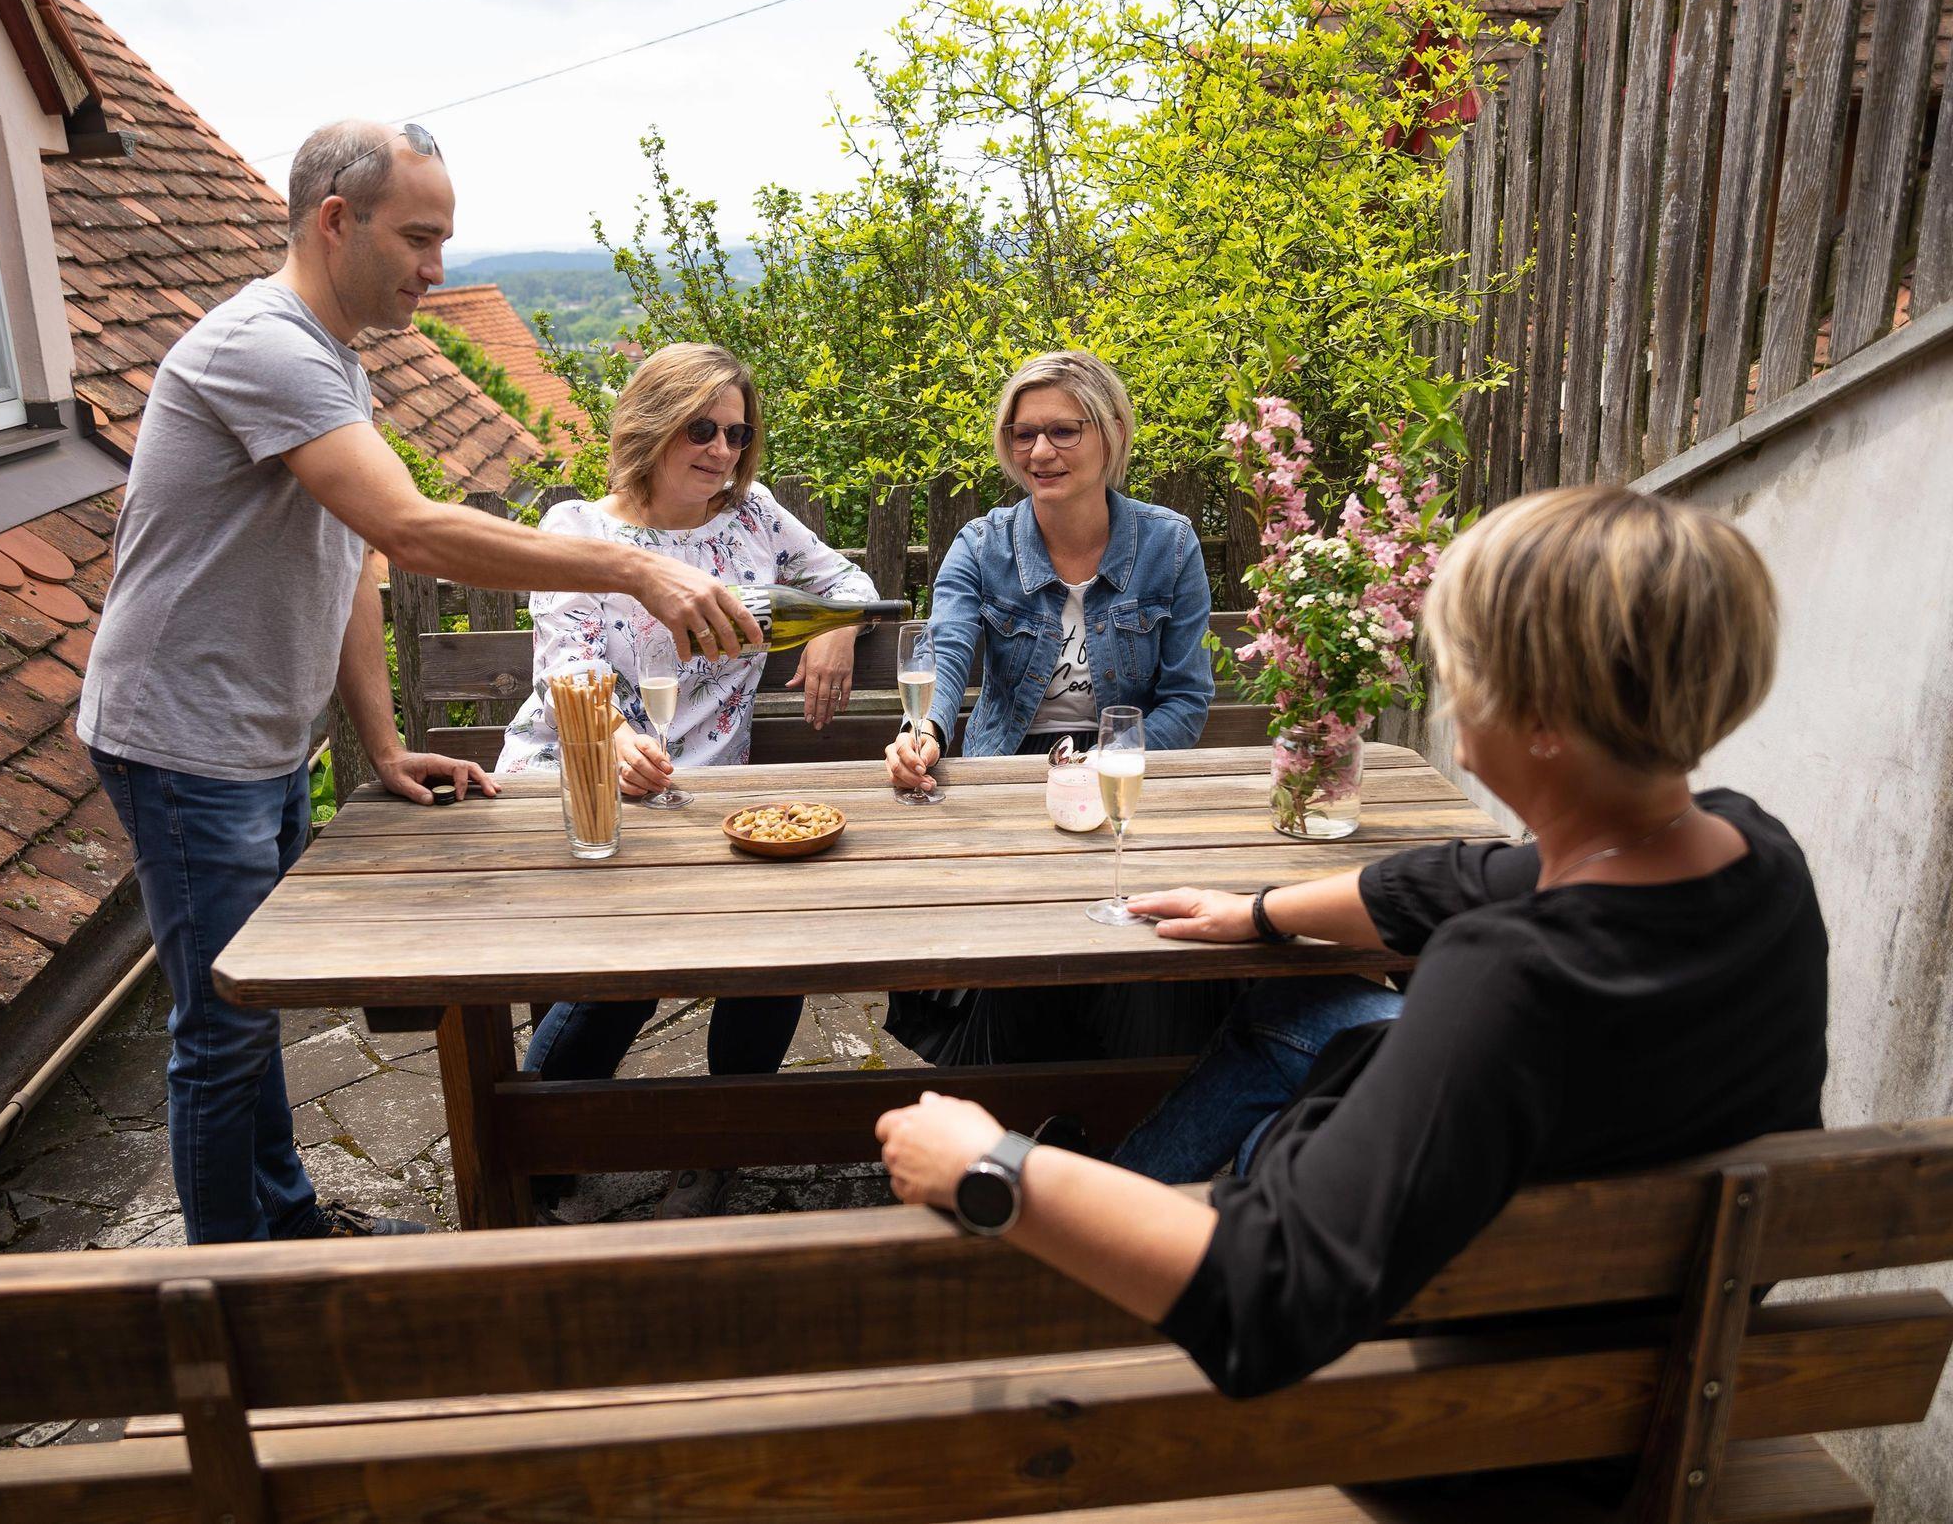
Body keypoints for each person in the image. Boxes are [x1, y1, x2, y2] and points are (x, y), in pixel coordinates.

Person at [877, 484, 1827, 1401]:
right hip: (1659, 1348)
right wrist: (1258, 915)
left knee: (1281, 1109)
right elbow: (1473, 876)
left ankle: (1048, 1273)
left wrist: (996, 1167)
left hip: (1480, 1409)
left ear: (1540, 719)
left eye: (1464, 664)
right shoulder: (1755, 856)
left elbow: (1272, 1294)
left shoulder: (1500, 978)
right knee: (1297, 1001)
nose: (1447, 690)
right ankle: (1114, 1196)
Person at [79, 120, 761, 1246]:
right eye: (418, 237)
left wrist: (382, 742)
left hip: (256, 739)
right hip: (185, 740)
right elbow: (410, 527)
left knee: (254, 1005)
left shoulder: (332, 360)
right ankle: (233, 1292)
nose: (437, 268)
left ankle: (287, 1229)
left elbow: (354, 554)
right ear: (334, 221)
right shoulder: (266, 347)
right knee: (223, 1029)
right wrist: (632, 565)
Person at [499, 342, 879, 1219]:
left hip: (703, 801)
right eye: (701, 428)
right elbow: (566, 667)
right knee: (626, 967)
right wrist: (611, 740)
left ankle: (720, 1140)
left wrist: (836, 626)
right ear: (653, 423)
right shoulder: (579, 529)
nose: (722, 451)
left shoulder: (753, 518)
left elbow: (848, 579)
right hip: (581, 780)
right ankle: (536, 1159)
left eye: (737, 434)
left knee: (775, 949)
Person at [879, 351, 1230, 1068]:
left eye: (1063, 431)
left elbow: (1187, 699)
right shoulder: (982, 546)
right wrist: (925, 728)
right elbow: (947, 651)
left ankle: (1112, 1102)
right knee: (1019, 944)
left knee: (1140, 942)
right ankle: (1007, 1099)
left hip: (1126, 770)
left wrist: (1107, 763)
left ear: (1112, 432)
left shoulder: (1168, 545)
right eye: (1023, 433)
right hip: (1010, 773)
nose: (1040, 451)